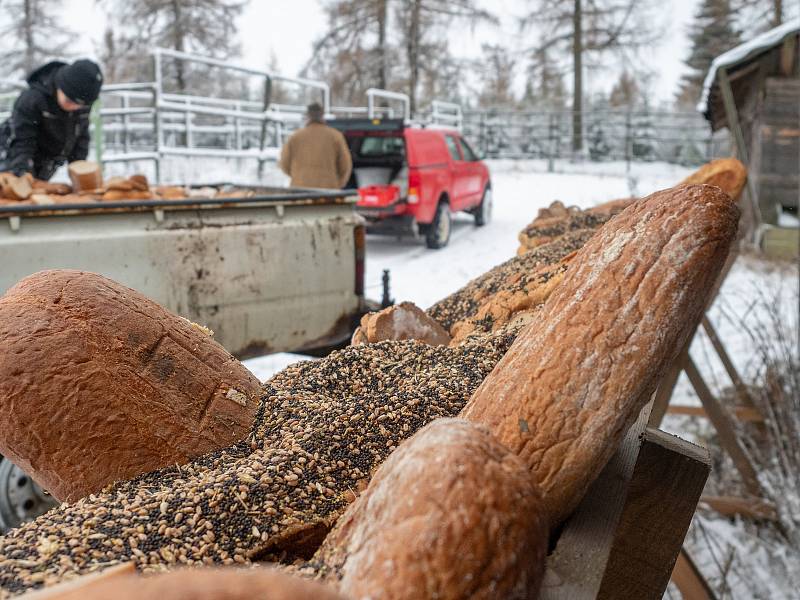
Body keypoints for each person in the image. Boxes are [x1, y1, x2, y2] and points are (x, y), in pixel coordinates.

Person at [0, 59, 104, 181]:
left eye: (81, 106)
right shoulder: (32, 100)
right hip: (11, 157)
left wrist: (79, 170)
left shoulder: (80, 105)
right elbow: (22, 139)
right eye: (69, 101)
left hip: (46, 164)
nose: (74, 108)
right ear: (60, 86)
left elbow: (80, 137)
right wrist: (21, 171)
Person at [279, 102, 352, 189]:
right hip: (328, 190)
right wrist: (338, 183)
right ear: (322, 115)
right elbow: (346, 165)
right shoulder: (335, 136)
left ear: (308, 116)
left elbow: (284, 163)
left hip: (299, 189)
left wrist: (298, 176)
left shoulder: (295, 136)